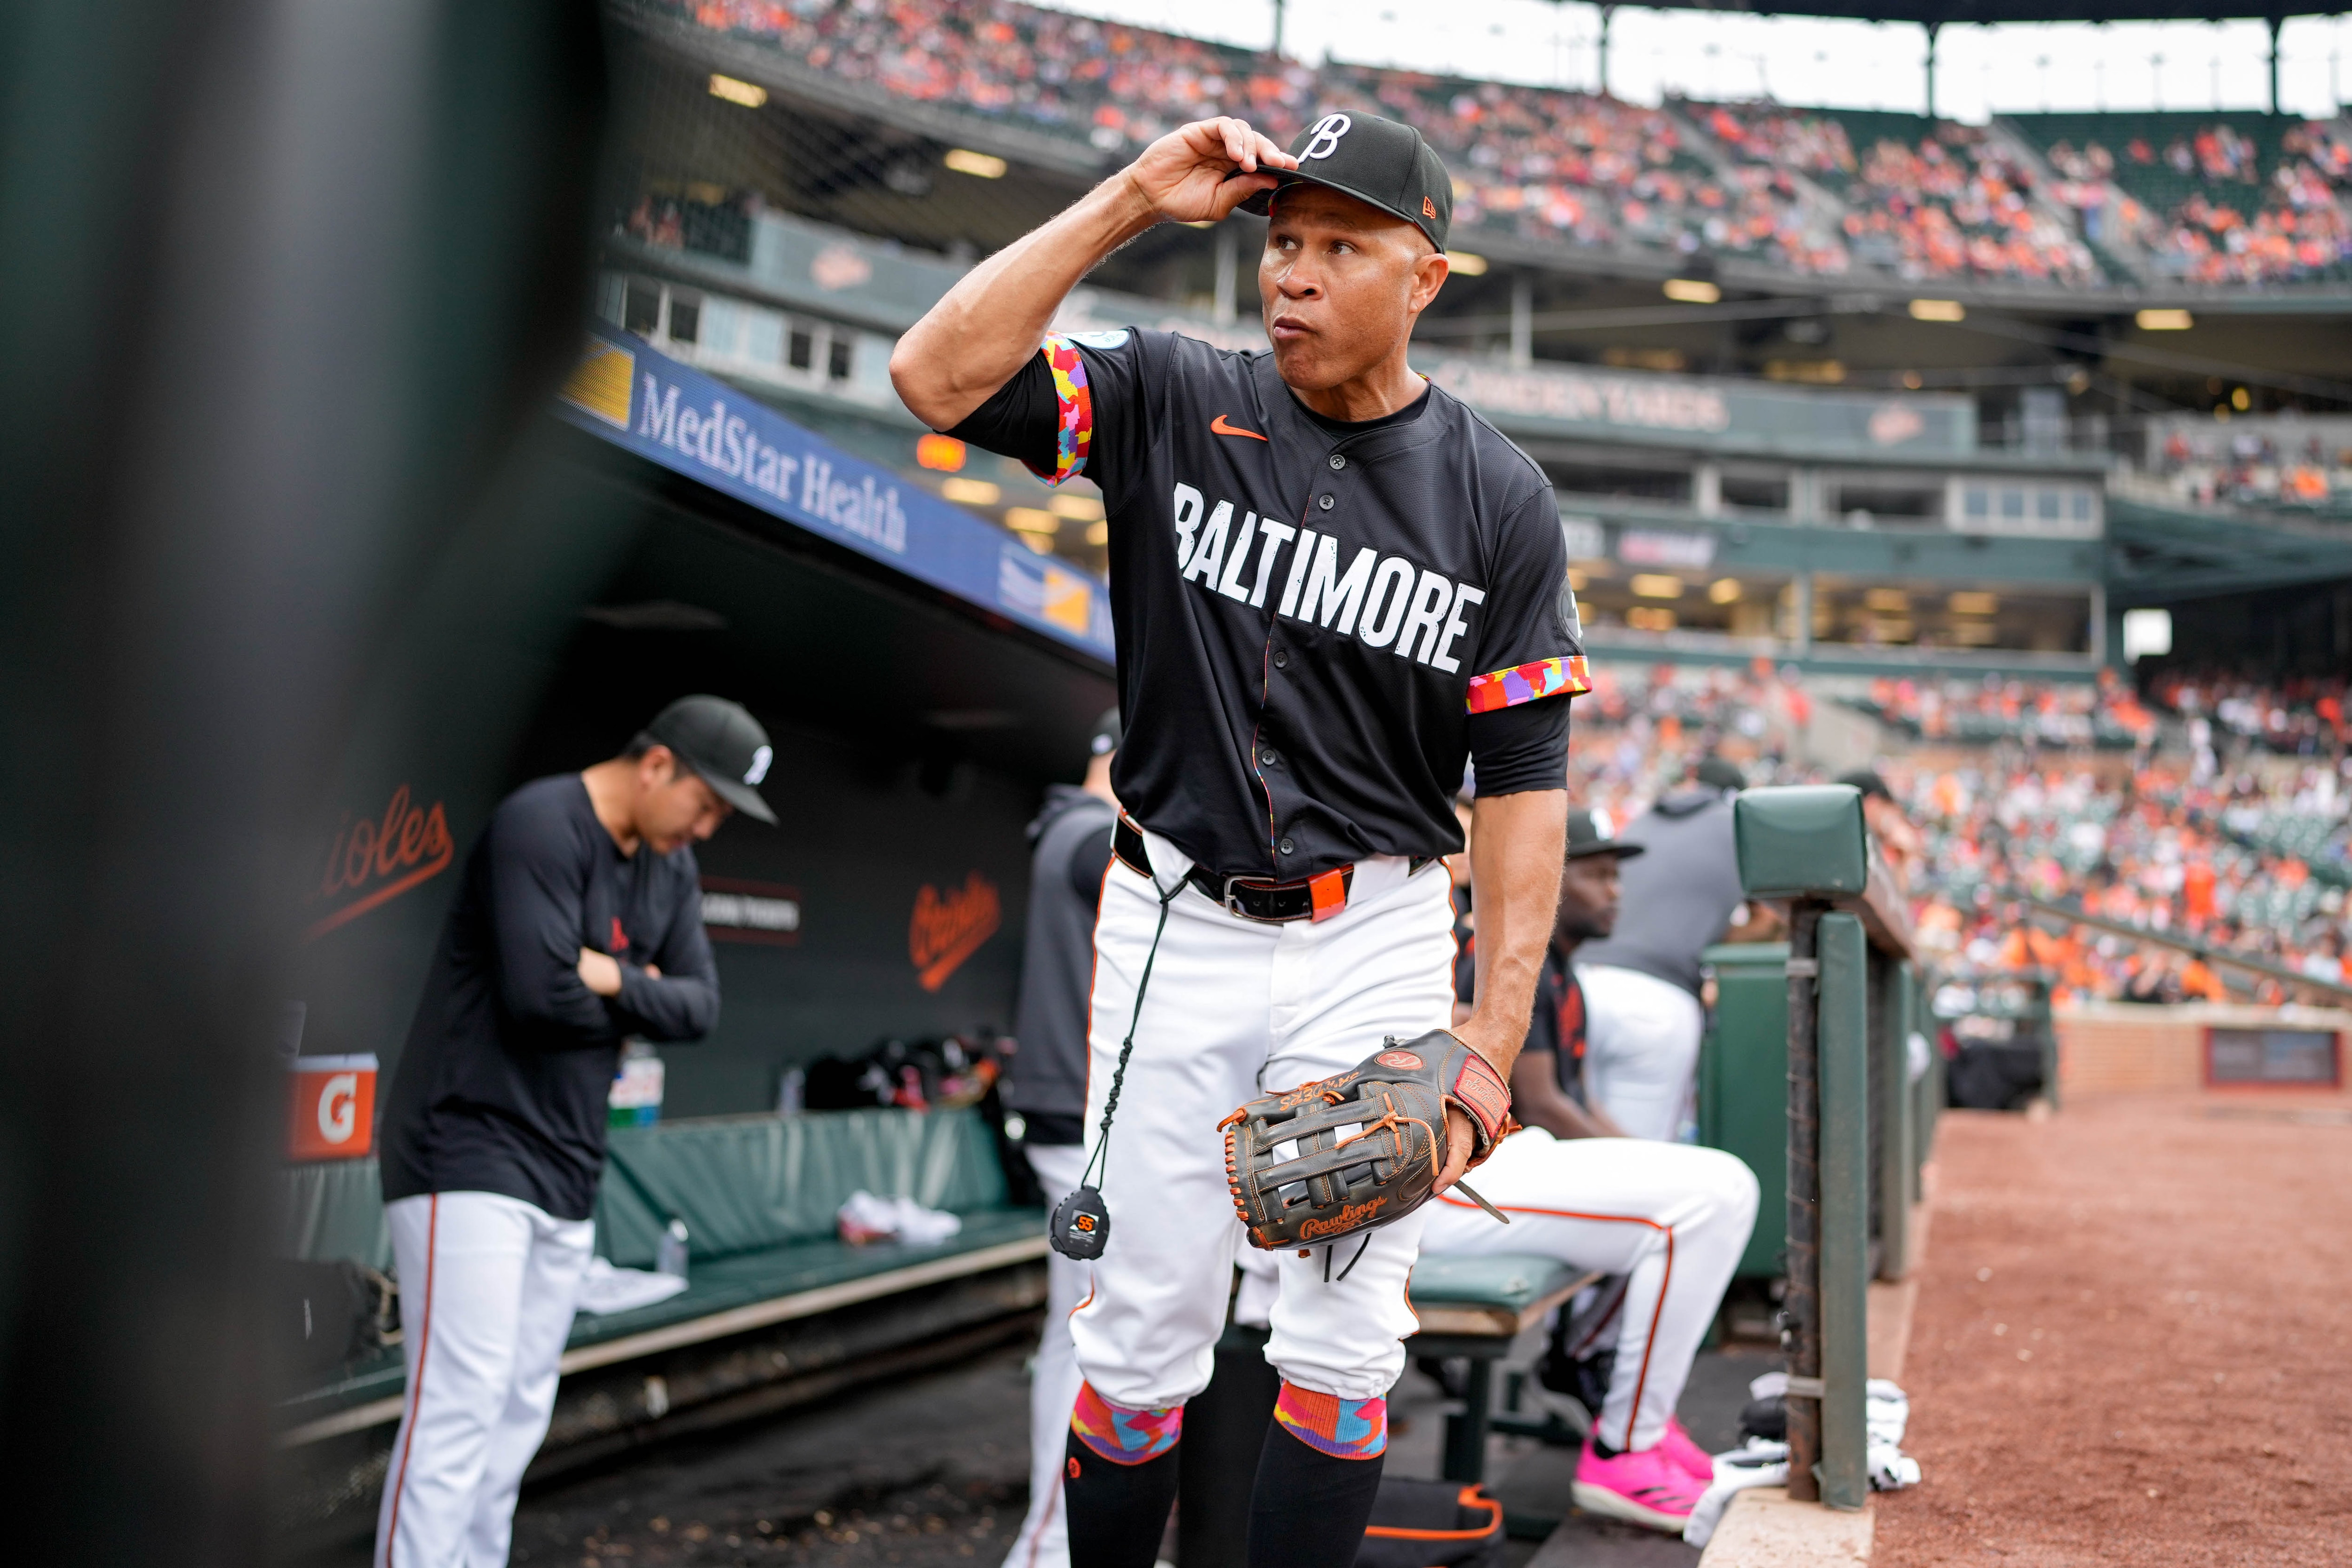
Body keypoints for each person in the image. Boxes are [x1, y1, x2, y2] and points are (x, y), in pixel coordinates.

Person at [892, 111, 1580, 1568]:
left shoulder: (1499, 494)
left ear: (1426, 276)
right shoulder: (1169, 393)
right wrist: (1134, 198)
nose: (1294, 274)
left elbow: (1524, 777)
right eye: (1283, 242)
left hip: (1378, 925)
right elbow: (934, 378)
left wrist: (1491, 1031)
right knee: (1135, 1345)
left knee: (1344, 1340)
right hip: (1173, 921)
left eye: (1342, 247)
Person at [372, 696, 774, 1567]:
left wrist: (610, 977)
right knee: (461, 1403)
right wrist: (639, 989)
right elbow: (539, 996)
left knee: (519, 1408)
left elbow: (700, 1008)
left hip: (568, 1159)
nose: (707, 827)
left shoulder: (670, 866)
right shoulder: (543, 823)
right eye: (706, 802)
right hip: (465, 1146)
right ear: (657, 764)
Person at [1424, 809, 1758, 1533]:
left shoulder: (1550, 960)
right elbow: (1540, 1100)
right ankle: (1623, 1443)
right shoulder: (1494, 951)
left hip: (1508, 1163)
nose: (1616, 891)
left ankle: (1629, 1414)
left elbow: (1569, 1101)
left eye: (1616, 875)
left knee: (1708, 1191)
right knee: (1707, 1199)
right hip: (1458, 1178)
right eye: (1596, 873)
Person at [1001, 709, 1122, 1568]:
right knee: (1092, 1327)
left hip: (1076, 1116)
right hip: (1081, 1124)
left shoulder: (1068, 829)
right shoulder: (1090, 836)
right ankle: (1047, 1549)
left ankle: (1060, 1545)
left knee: (1087, 1323)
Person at [1574, 756, 1748, 1142]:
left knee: (1580, 1142)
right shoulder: (1738, 823)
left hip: (1584, 984)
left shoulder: (1644, 818)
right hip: (1658, 1000)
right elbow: (1771, 920)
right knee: (1641, 1159)